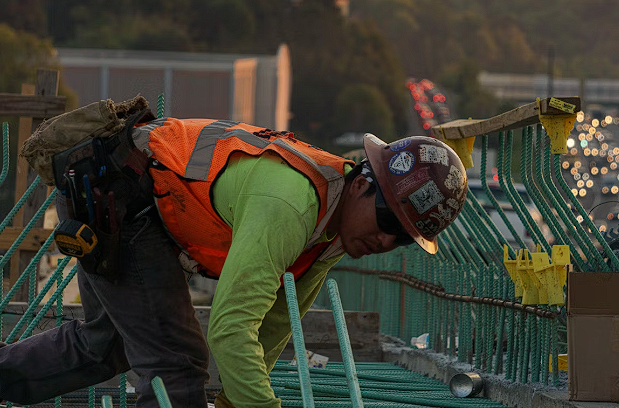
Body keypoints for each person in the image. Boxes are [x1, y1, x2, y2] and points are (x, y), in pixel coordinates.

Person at [0, 116, 467, 407]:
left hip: (128, 201)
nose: (386, 239)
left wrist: (234, 400)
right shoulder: (292, 206)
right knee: (176, 366)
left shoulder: (332, 232)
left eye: (403, 239)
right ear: (364, 181)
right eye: (387, 219)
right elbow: (229, 325)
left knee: (110, 346)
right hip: (120, 197)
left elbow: (274, 323)